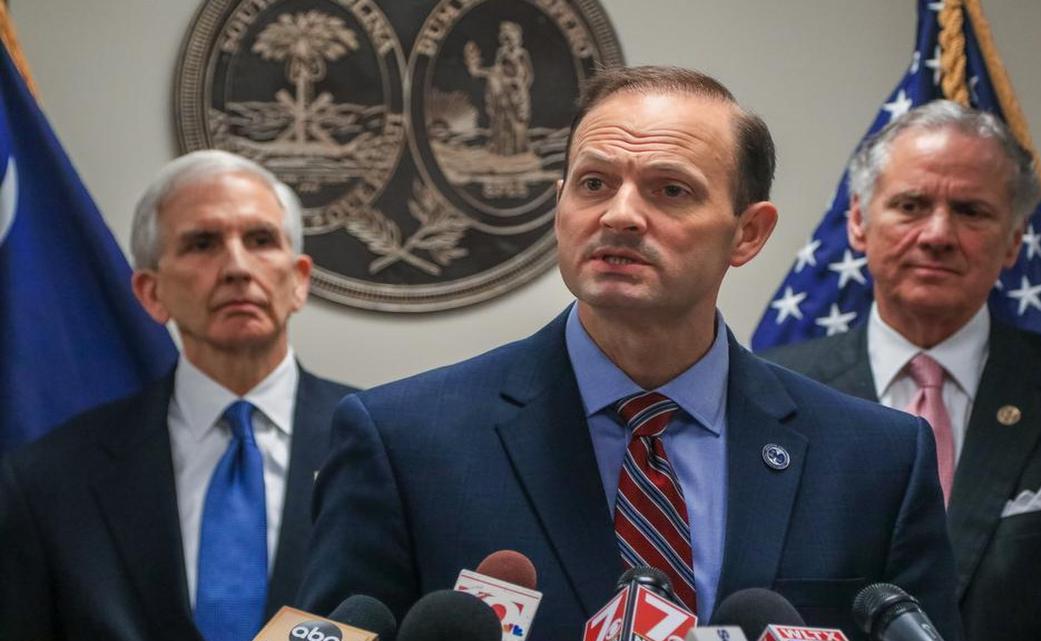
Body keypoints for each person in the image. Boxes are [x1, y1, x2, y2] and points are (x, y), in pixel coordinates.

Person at [297, 66, 961, 641]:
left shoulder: (875, 461)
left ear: (748, 233)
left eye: (670, 189)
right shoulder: (403, 441)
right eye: (593, 183)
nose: (619, 215)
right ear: (559, 205)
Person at [764, 100, 1041, 641]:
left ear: (1014, 240)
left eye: (971, 211)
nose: (938, 234)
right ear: (858, 223)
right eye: (911, 205)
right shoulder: (769, 390)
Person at [0, 150, 355, 641]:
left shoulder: (383, 449)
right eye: (202, 243)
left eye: (260, 240)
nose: (236, 267)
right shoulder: (48, 478)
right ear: (151, 293)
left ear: (298, 281)